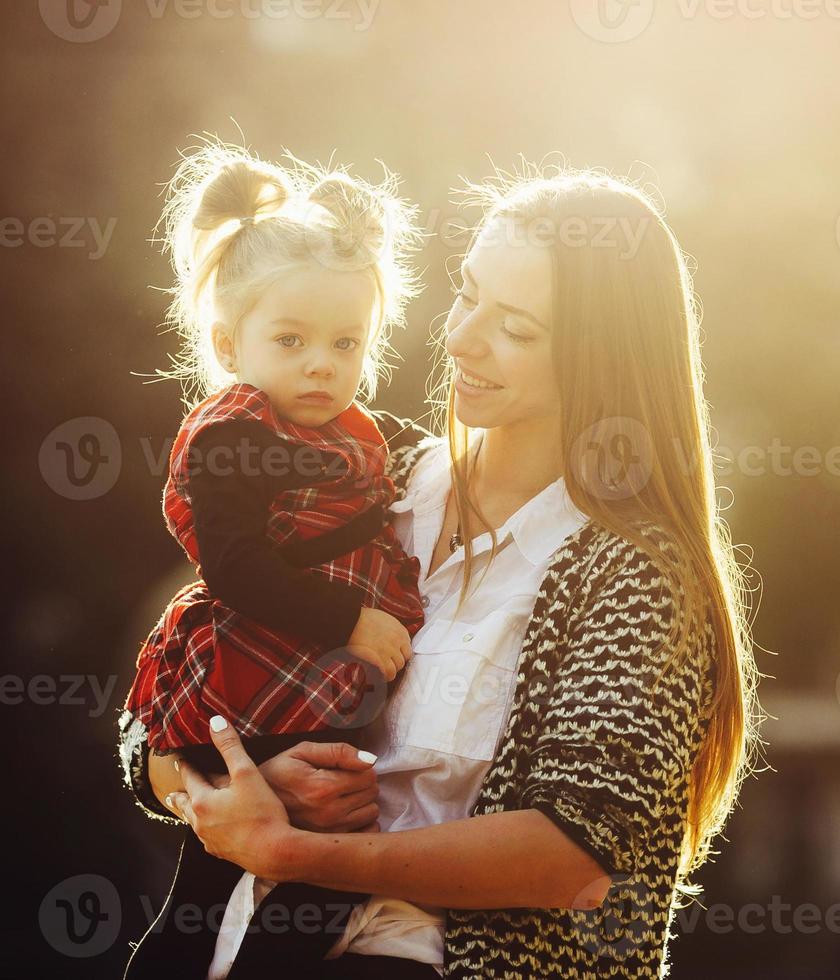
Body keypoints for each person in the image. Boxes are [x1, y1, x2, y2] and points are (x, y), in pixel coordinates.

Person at [121, 166, 762, 979]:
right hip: (231, 947)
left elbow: (575, 858)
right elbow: (156, 720)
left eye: (517, 329)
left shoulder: (637, 577)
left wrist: (295, 850)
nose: (460, 338)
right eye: (466, 295)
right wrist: (239, 775)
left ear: (599, 359)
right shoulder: (363, 478)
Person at [119, 142, 429, 976]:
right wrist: (352, 620)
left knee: (277, 889)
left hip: (308, 695)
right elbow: (236, 569)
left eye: (345, 343)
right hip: (253, 690)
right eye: (290, 340)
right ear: (229, 342)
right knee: (231, 891)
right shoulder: (235, 435)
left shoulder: (346, 434)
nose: (322, 365)